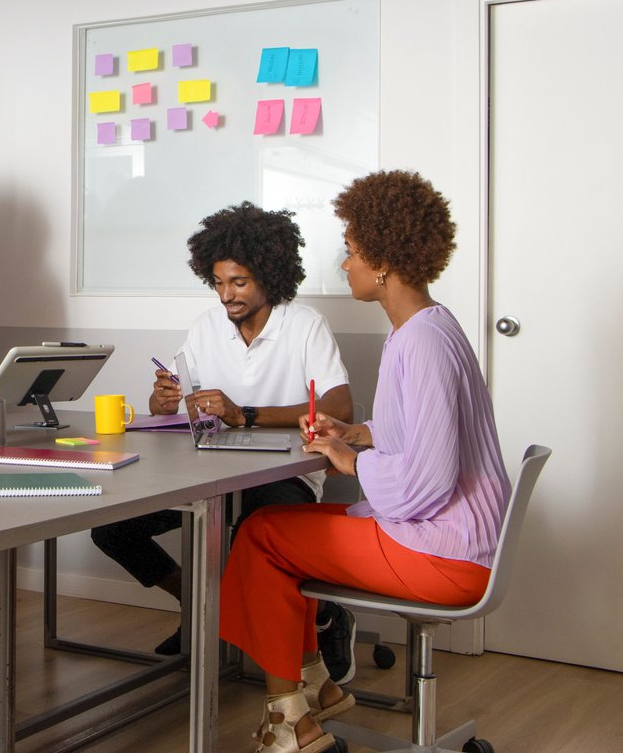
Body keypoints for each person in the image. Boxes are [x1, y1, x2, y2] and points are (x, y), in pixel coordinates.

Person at [219, 171, 512, 753]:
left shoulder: (421, 342)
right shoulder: (429, 328)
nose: (345, 264)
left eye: (351, 252)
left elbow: (427, 480)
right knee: (270, 532)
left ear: (382, 260)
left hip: (445, 553)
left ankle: (292, 722)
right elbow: (418, 432)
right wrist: (355, 432)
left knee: (260, 536)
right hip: (458, 543)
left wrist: (349, 461)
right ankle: (314, 689)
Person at [89, 202, 355, 670]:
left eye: (239, 282)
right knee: (114, 529)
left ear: (269, 277)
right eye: (218, 283)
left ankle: (326, 615)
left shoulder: (304, 324)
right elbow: (163, 399)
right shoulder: (207, 327)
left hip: (286, 473)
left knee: (252, 535)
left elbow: (339, 409)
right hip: (209, 469)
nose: (225, 295)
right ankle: (197, 605)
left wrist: (243, 415)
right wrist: (162, 399)